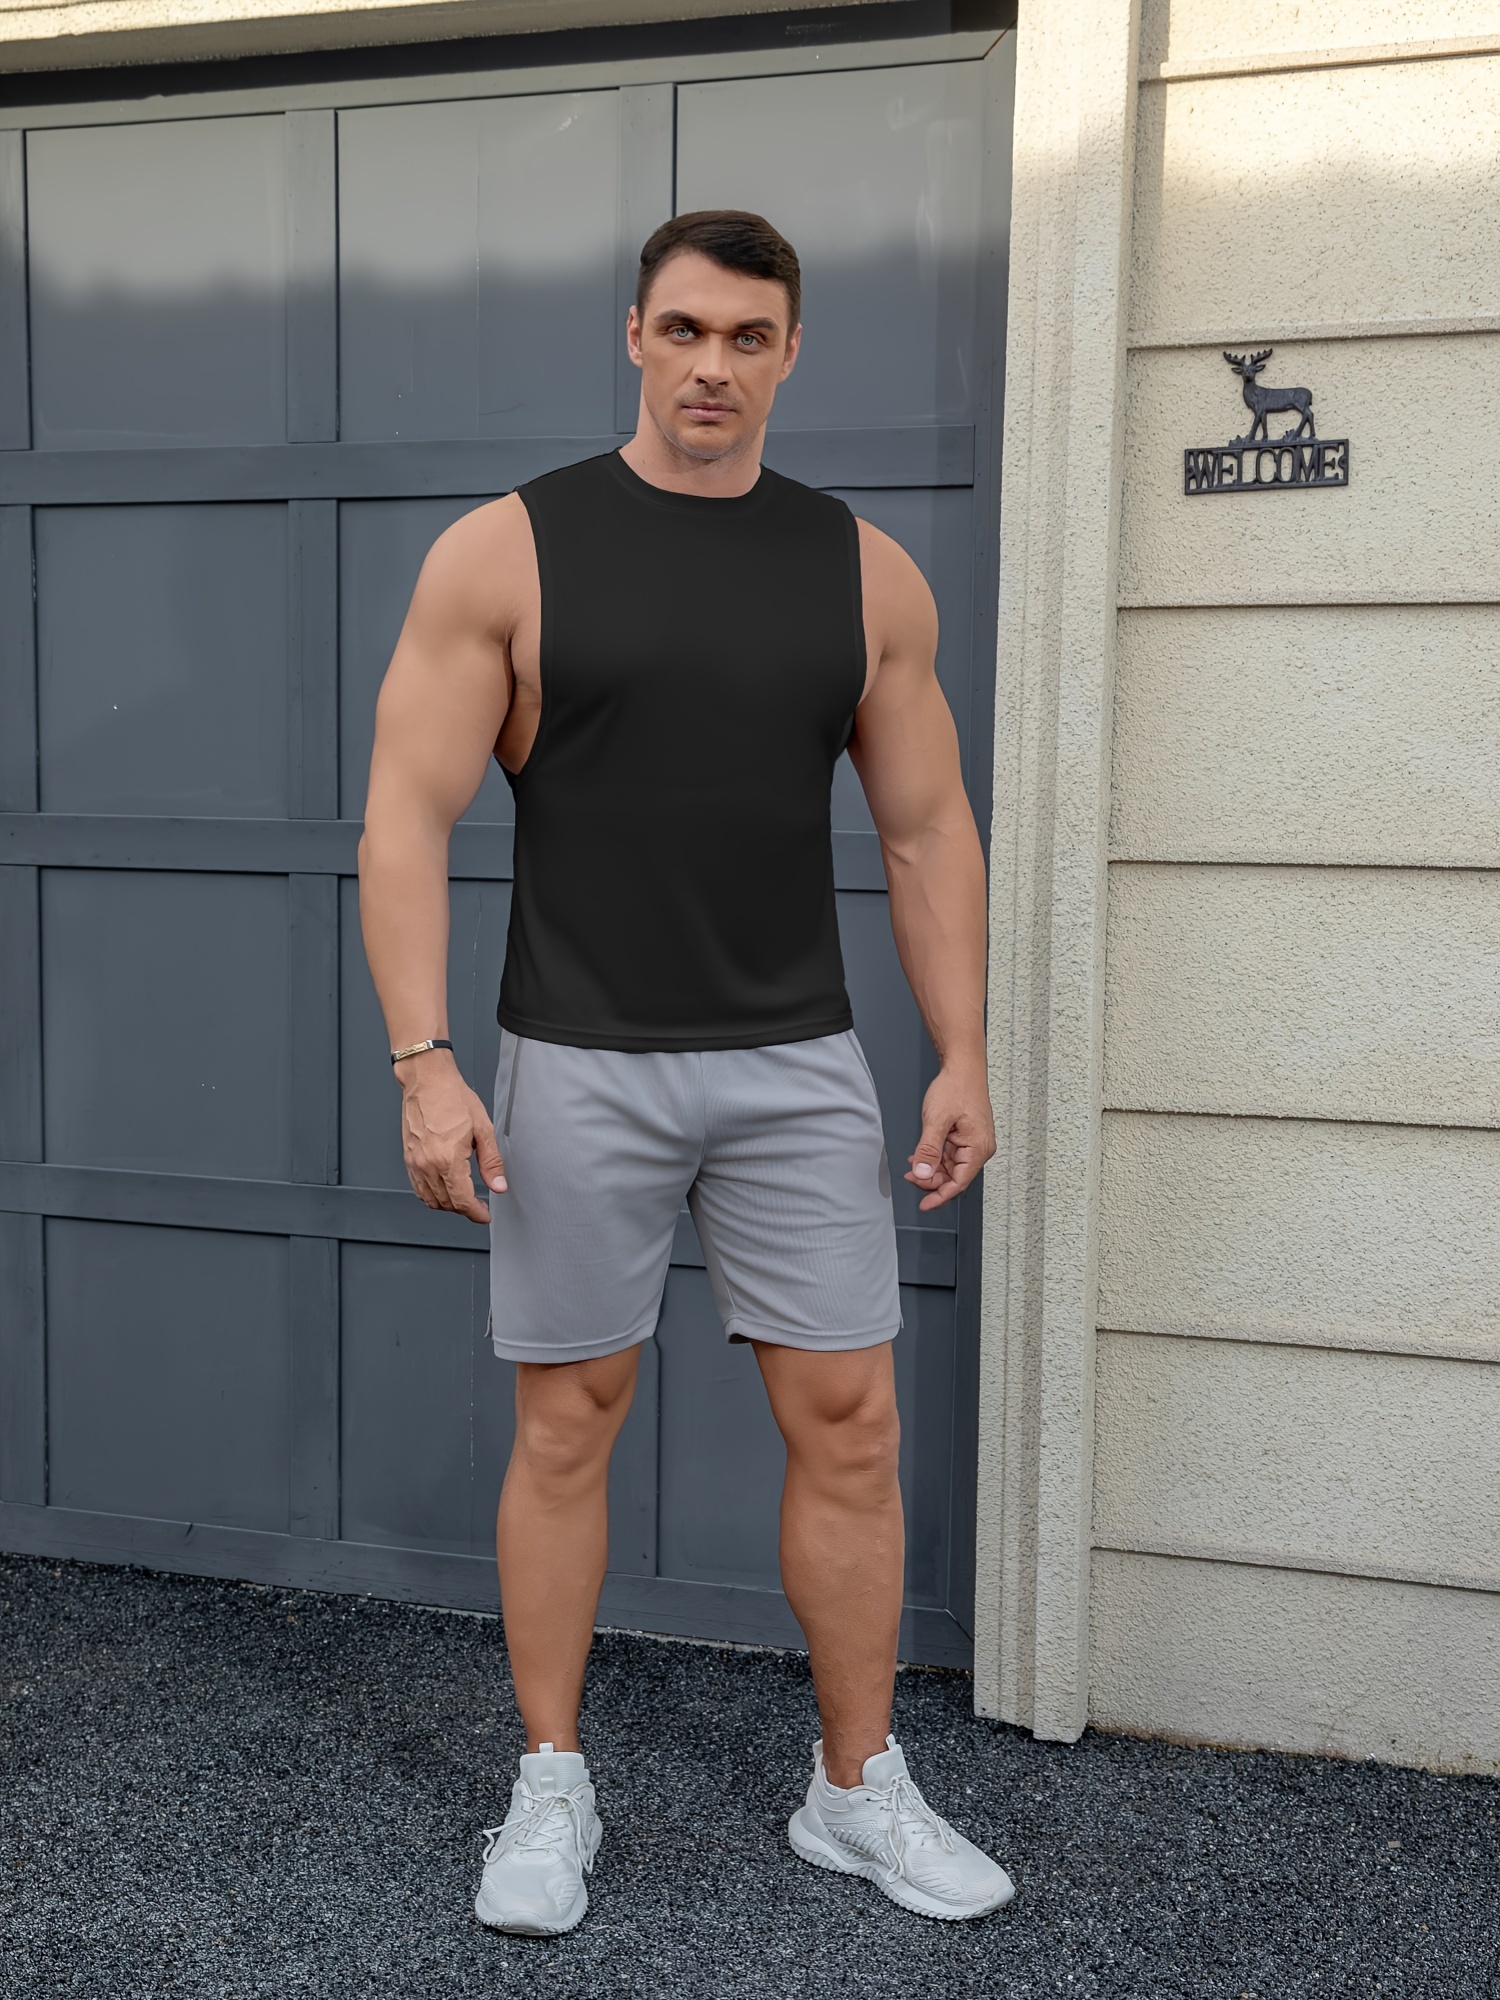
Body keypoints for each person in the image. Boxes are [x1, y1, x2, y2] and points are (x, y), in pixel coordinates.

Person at [358, 209, 1015, 1933]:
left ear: (791, 354)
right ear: (635, 337)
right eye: (684, 330)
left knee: (852, 1423)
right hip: (578, 1060)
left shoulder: (864, 572)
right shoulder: (508, 553)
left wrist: (964, 1048)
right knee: (569, 1419)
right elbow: (405, 820)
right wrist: (427, 1063)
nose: (712, 365)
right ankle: (550, 1781)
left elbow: (928, 828)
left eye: (748, 337)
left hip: (798, 1065)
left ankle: (855, 1788)